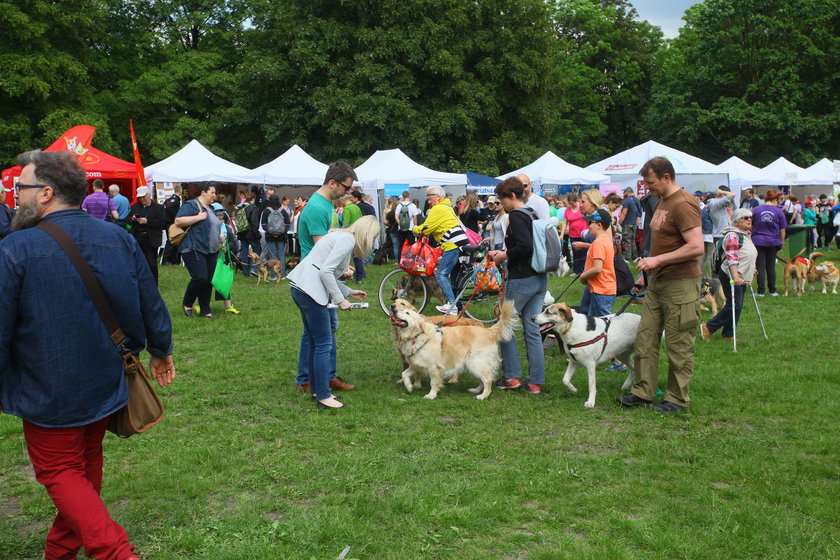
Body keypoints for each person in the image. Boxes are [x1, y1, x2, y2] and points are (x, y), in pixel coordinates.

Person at [0, 149, 174, 560]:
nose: (14, 197)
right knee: (82, 473)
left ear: (45, 193)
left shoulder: (15, 249)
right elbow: (152, 303)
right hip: (101, 377)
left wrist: (161, 349)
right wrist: (161, 349)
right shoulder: (117, 237)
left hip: (51, 387)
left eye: (19, 188)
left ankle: (115, 552)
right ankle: (59, 552)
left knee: (62, 473)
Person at [617, 157, 703, 413]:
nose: (647, 187)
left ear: (667, 177)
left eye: (651, 182)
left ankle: (676, 399)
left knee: (679, 345)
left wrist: (658, 260)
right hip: (658, 281)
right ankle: (643, 393)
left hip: (681, 283)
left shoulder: (685, 203)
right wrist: (648, 270)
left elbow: (696, 247)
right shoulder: (662, 201)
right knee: (645, 339)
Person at [287, 216, 379, 409]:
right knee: (323, 343)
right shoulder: (347, 240)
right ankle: (323, 395)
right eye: (374, 236)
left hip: (301, 288)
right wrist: (341, 300)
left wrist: (349, 292)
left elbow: (321, 270)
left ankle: (316, 389)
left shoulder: (339, 236)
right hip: (311, 293)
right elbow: (325, 272)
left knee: (314, 341)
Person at [295, 162, 358, 392]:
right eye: (345, 187)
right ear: (332, 183)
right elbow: (322, 248)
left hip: (317, 279)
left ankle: (320, 376)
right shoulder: (317, 208)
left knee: (320, 332)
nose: (347, 193)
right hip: (314, 281)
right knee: (320, 335)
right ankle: (311, 380)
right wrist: (342, 268)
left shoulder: (325, 205)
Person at [488, 177, 546, 394]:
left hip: (522, 278)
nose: (502, 204)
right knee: (532, 330)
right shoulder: (532, 213)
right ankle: (535, 383)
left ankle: (511, 376)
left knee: (505, 326)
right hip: (539, 277)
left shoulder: (517, 216)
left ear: (512, 196)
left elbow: (525, 246)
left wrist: (503, 255)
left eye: (502, 200)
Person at [700, 208, 757, 342]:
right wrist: (735, 276)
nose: (749, 220)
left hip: (741, 275)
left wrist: (751, 269)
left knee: (737, 304)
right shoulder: (733, 235)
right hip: (731, 275)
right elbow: (732, 258)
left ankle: (728, 333)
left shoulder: (745, 235)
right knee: (735, 304)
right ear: (737, 221)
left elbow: (745, 256)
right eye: (745, 218)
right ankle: (708, 327)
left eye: (750, 217)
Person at [413, 185, 469, 315]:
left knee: (441, 274)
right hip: (460, 242)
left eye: (429, 195)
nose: (427, 198)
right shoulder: (447, 207)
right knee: (454, 278)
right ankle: (458, 305)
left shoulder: (437, 208)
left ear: (438, 196)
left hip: (452, 244)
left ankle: (452, 305)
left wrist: (415, 229)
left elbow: (427, 228)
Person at [174, 183, 222, 318]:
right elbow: (178, 220)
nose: (214, 195)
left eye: (215, 192)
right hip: (194, 247)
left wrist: (220, 238)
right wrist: (197, 217)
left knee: (208, 281)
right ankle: (187, 302)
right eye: (212, 192)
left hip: (211, 249)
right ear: (203, 192)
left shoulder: (211, 208)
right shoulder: (192, 205)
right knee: (200, 277)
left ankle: (206, 311)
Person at [578, 209, 617, 317]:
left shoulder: (598, 243)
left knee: (603, 322)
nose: (588, 226)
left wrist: (583, 276)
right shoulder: (606, 240)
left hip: (601, 290)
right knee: (593, 322)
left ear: (599, 225)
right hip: (603, 288)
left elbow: (597, 269)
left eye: (590, 223)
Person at [751, 191, 786, 296]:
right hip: (773, 241)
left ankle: (760, 291)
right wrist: (781, 242)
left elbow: (751, 226)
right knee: (771, 267)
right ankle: (772, 290)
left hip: (758, 241)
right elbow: (782, 230)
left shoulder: (755, 210)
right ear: (775, 200)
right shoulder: (779, 212)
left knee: (760, 266)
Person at [129, 186, 166, 283]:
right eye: (140, 197)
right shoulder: (135, 206)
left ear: (149, 195)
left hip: (151, 238)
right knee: (136, 262)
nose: (142, 199)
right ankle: (138, 282)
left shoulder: (158, 207)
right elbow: (127, 221)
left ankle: (154, 284)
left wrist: (147, 221)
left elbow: (162, 222)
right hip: (137, 237)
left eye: (143, 197)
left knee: (152, 264)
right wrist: (132, 219)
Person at [260, 194, 290, 280]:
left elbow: (263, 224)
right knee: (281, 254)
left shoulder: (266, 211)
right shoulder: (283, 211)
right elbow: (287, 224)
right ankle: (283, 274)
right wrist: (281, 232)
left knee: (272, 255)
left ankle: (273, 275)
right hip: (281, 237)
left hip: (269, 236)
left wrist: (271, 232)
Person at [235, 190, 261, 277]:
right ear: (253, 199)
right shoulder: (253, 207)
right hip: (251, 234)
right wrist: (257, 234)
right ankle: (254, 269)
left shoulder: (241, 207)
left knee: (244, 253)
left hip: (242, 233)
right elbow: (254, 222)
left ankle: (246, 272)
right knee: (257, 250)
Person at [618, 186, 642, 261]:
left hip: (627, 223)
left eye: (624, 192)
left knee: (626, 240)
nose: (623, 194)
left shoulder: (626, 201)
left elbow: (624, 213)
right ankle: (634, 257)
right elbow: (639, 212)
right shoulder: (637, 200)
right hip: (634, 223)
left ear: (627, 193)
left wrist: (619, 223)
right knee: (632, 240)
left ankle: (627, 258)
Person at [161, 184, 183, 265]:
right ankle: (165, 260)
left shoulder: (170, 199)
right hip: (171, 223)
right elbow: (169, 207)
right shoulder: (175, 199)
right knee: (171, 240)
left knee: (174, 241)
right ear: (180, 190)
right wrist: (176, 216)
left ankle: (174, 260)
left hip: (169, 223)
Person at [394, 190, 419, 260]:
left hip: (401, 228)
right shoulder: (413, 206)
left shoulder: (399, 205)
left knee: (401, 245)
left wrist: (400, 223)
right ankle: (410, 260)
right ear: (409, 196)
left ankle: (399, 260)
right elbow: (415, 218)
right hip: (410, 228)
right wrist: (415, 226)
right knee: (411, 245)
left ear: (402, 197)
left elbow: (396, 216)